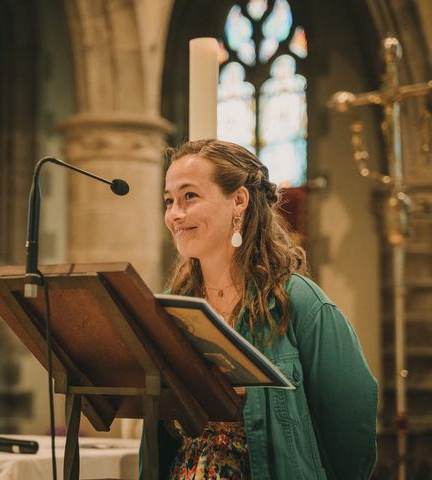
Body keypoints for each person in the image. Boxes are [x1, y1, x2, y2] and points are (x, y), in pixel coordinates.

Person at [140, 139, 378, 479]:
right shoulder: (173, 306)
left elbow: (352, 427)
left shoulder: (300, 303)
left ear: (238, 200)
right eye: (169, 201)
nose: (175, 214)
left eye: (189, 196)